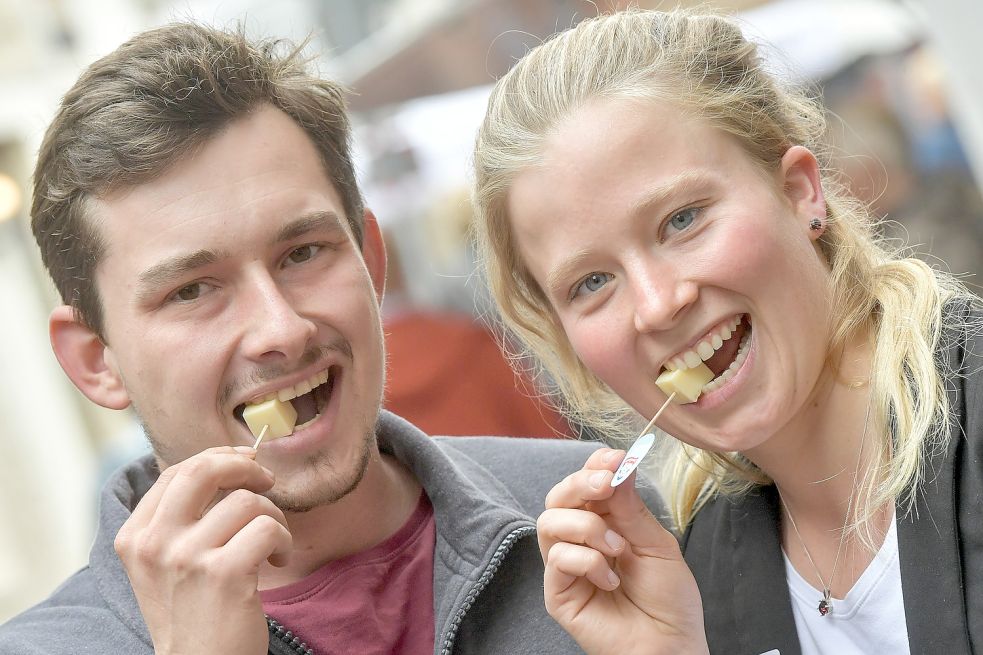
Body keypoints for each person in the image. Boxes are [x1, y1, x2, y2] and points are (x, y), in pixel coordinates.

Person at [0, 22, 665, 655]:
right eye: (192, 290)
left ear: (371, 260)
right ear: (96, 361)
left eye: (303, 253)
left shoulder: (610, 527)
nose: (281, 329)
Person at [471, 8, 982, 655]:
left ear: (798, 191)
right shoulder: (690, 571)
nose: (656, 306)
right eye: (591, 282)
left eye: (682, 219)